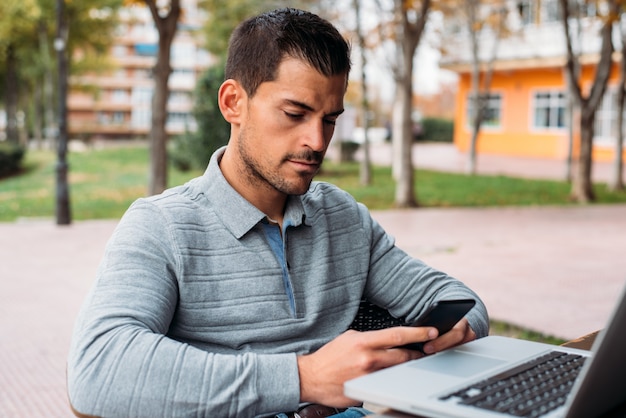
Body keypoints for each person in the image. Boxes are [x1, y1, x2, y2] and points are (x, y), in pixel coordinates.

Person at [67, 8, 489, 418]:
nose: (317, 141)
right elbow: (97, 370)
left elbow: (460, 302)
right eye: (295, 114)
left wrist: (454, 331)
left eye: (330, 120)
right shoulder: (161, 226)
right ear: (234, 102)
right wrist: (304, 378)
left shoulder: (343, 217)